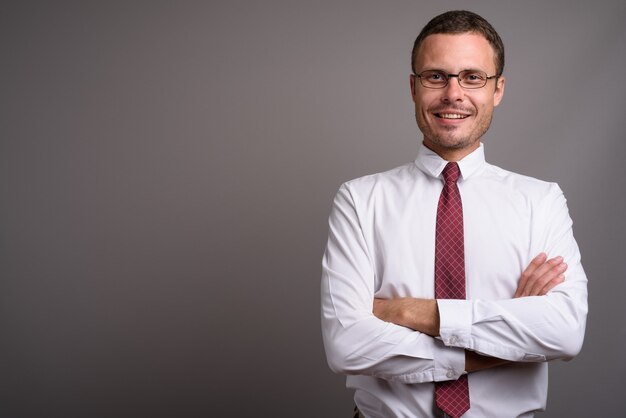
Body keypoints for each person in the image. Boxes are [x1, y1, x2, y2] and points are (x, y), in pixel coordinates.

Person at [320, 10, 588, 418]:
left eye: (472, 77)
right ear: (413, 87)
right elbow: (347, 345)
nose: (453, 93)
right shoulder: (359, 200)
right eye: (436, 76)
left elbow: (564, 333)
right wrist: (504, 340)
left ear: (498, 89)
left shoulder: (541, 201)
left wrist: (414, 313)